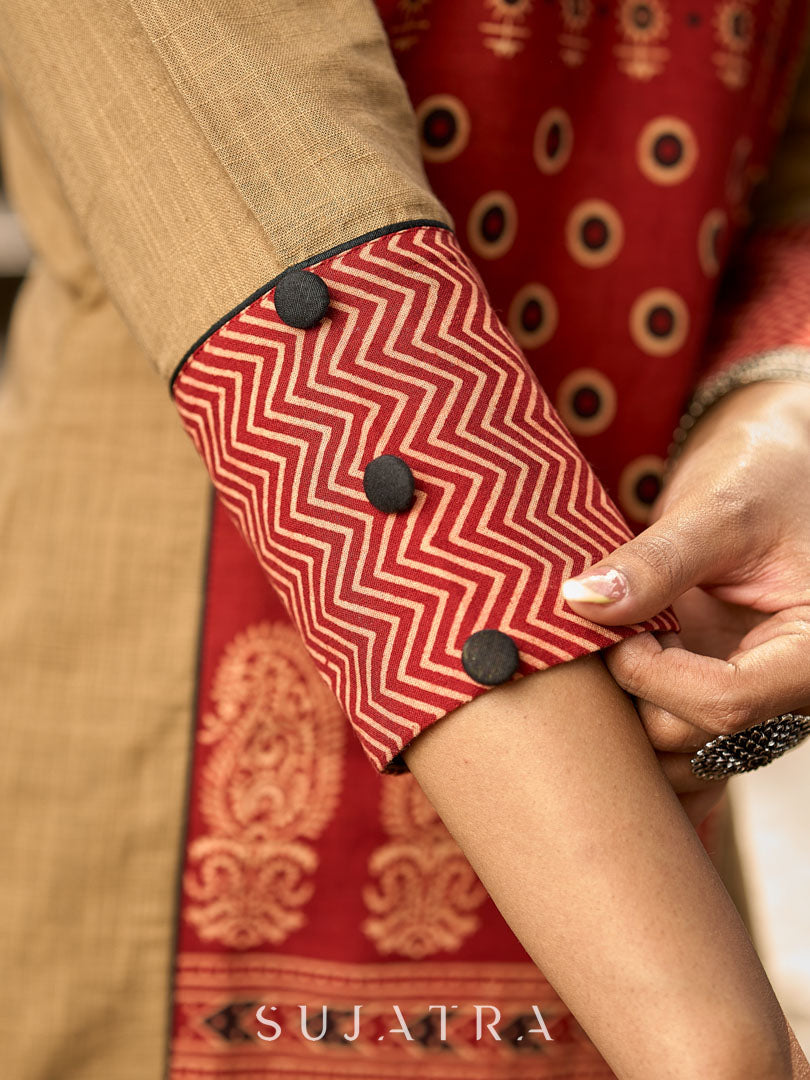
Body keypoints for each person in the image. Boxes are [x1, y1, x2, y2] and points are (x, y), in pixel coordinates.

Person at [0, 2, 809, 1078]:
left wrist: (779, 413)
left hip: (650, 784)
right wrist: (710, 1041)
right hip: (199, 730)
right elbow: (260, 186)